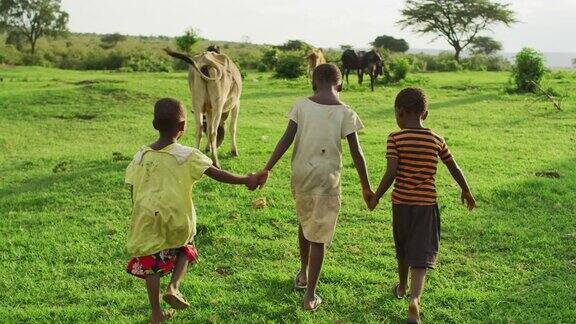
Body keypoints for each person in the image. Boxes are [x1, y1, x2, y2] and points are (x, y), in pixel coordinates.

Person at [124, 98, 267, 323]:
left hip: (145, 218)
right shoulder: (187, 155)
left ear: (154, 124)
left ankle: (155, 314)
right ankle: (174, 287)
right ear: (183, 127)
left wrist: (138, 211)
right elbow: (217, 173)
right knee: (186, 247)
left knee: (150, 264)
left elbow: (132, 186)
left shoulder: (140, 155)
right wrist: (247, 179)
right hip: (176, 218)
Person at [258, 63, 373, 311]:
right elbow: (357, 154)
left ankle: (302, 273)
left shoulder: (301, 105)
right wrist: (366, 187)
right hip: (326, 179)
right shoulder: (346, 112)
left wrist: (267, 168)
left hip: (301, 175)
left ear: (313, 82)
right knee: (318, 236)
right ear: (340, 85)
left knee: (305, 222)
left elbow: (286, 139)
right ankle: (310, 296)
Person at [368, 87, 476, 323]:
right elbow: (454, 167)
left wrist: (376, 196)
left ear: (399, 113)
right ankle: (415, 299)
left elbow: (391, 172)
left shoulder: (395, 138)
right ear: (425, 114)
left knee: (404, 247)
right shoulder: (436, 139)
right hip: (426, 205)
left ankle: (401, 287)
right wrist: (466, 190)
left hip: (401, 204)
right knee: (421, 252)